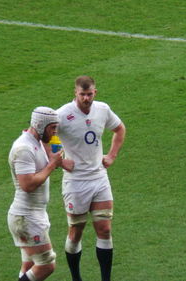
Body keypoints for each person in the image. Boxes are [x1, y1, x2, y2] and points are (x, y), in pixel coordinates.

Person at [56, 75, 126, 281]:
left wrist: (112, 155)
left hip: (99, 178)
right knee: (76, 232)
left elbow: (120, 129)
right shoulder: (62, 115)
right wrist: (60, 160)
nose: (86, 98)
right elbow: (48, 137)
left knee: (104, 229)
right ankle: (76, 278)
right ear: (75, 93)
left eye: (89, 94)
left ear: (95, 92)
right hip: (75, 181)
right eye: (82, 94)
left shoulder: (102, 109)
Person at [7, 107, 63, 281]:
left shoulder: (37, 141)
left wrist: (55, 149)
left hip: (32, 215)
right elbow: (27, 185)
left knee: (29, 265)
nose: (55, 132)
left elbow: (56, 150)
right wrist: (52, 165)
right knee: (46, 264)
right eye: (52, 127)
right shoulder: (24, 148)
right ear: (40, 125)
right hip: (27, 217)